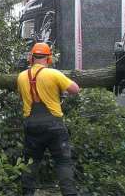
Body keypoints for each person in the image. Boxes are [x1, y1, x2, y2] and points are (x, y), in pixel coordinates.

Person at [16, 42, 80, 196]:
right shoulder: (54, 74)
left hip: (32, 126)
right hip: (54, 126)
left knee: (30, 163)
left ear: (31, 58)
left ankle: (27, 193)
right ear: (49, 58)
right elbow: (75, 89)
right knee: (63, 162)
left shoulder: (21, 77)